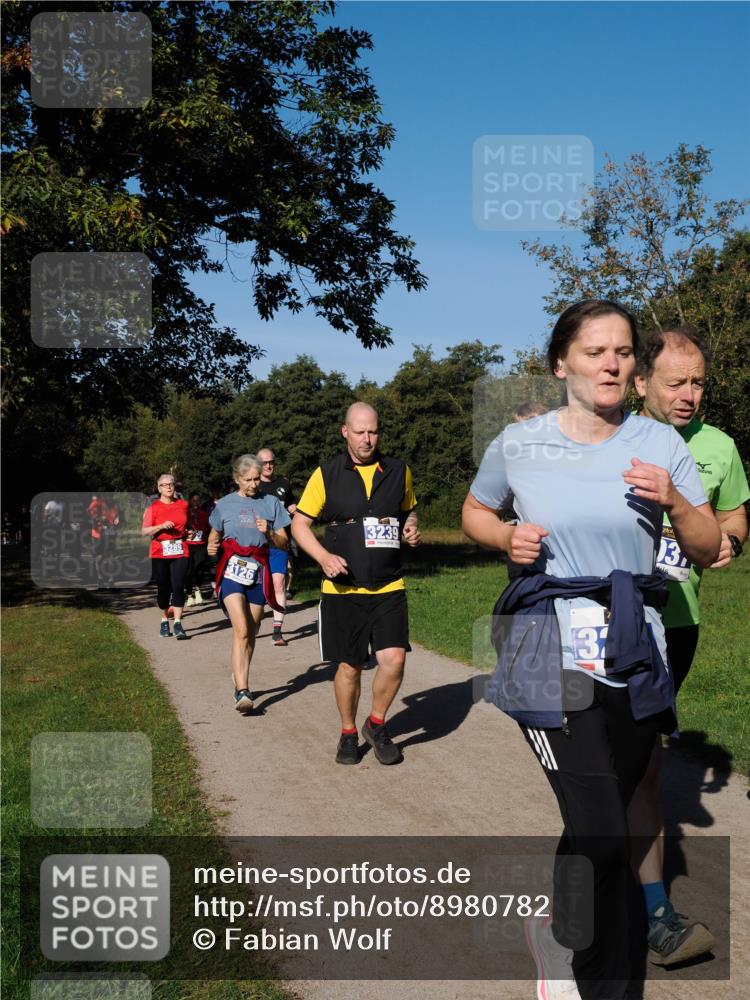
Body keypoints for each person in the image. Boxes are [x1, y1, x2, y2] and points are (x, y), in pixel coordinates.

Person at [462, 300, 720, 1000]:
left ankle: (558, 929)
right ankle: (602, 982)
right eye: (595, 350)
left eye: (623, 352)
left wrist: (676, 500)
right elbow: (476, 510)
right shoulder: (521, 442)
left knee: (601, 815)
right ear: (561, 364)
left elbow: (705, 547)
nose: (611, 362)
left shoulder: (661, 444)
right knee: (604, 826)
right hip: (545, 644)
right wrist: (500, 538)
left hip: (636, 649)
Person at [627, 326, 749, 965]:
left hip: (678, 621)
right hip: (609, 624)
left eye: (699, 382)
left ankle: (637, 899)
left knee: (644, 754)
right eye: (676, 382)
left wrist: (729, 539)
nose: (690, 394)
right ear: (642, 381)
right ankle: (645, 905)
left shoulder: (720, 447)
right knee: (626, 759)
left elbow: (734, 516)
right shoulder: (609, 438)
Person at [292, 402, 421, 766]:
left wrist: (411, 527)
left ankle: (376, 724)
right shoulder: (327, 474)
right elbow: (300, 525)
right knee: (349, 666)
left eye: (373, 431)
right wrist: (323, 557)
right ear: (345, 431)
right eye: (360, 432)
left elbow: (408, 509)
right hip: (343, 589)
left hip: (388, 585)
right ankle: (349, 731)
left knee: (394, 660)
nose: (368, 439)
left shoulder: (398, 470)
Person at [206, 454, 290, 713]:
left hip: (258, 572)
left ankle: (240, 673)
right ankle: (242, 689)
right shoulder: (225, 505)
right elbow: (215, 533)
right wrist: (211, 545)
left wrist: (270, 532)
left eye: (256, 479)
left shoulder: (271, 503)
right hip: (232, 571)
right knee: (241, 629)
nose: (254, 484)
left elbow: (285, 542)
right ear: (236, 479)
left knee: (251, 631)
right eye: (248, 480)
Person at [256, 448, 298, 645]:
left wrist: (293, 507)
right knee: (256, 586)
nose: (268, 465)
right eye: (264, 463)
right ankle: (254, 620)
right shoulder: (253, 485)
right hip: (256, 543)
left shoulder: (283, 483)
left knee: (278, 584)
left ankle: (277, 630)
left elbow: (292, 503)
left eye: (271, 461)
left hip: (278, 541)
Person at [141, 474, 190, 639]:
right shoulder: (152, 508)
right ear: (159, 488)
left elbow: (187, 524)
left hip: (180, 549)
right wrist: (161, 526)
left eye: (171, 484)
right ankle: (164, 619)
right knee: (163, 588)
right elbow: (144, 530)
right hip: (159, 550)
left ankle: (177, 623)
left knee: (178, 586)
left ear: (175, 486)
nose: (168, 487)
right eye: (164, 485)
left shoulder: (184, 505)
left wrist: (188, 532)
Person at [185, 493, 210, 606]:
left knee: (198, 569)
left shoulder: (204, 514)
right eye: (193, 500)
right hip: (188, 545)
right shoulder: (185, 513)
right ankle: (190, 596)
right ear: (189, 501)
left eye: (197, 500)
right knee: (189, 570)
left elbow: (208, 528)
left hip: (201, 545)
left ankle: (198, 590)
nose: (196, 502)